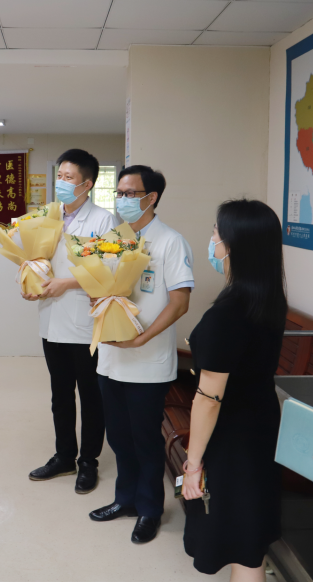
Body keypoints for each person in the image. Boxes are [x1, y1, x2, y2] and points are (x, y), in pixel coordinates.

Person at [182, 199, 287, 582]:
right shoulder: (267, 299)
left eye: (216, 233)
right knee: (249, 542)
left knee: (238, 539)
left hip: (231, 441)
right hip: (261, 428)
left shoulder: (227, 314)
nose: (212, 240)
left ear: (232, 245)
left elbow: (209, 400)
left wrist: (193, 465)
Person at [89, 165, 194, 544]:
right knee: (118, 437)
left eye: (130, 193)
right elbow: (98, 283)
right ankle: (126, 500)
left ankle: (150, 509)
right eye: (118, 192)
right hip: (110, 357)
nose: (122, 199)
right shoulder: (113, 239)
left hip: (147, 362)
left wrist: (142, 338)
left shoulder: (171, 242)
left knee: (145, 441)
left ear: (152, 198)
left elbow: (180, 302)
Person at [25, 149, 115, 493]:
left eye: (68, 177)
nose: (61, 182)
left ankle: (88, 461)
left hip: (83, 321)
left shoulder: (103, 221)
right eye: (59, 176)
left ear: (86, 184)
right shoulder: (48, 216)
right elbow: (36, 260)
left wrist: (66, 283)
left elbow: (107, 270)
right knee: (60, 393)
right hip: (51, 318)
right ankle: (64, 456)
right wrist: (31, 283)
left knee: (90, 395)